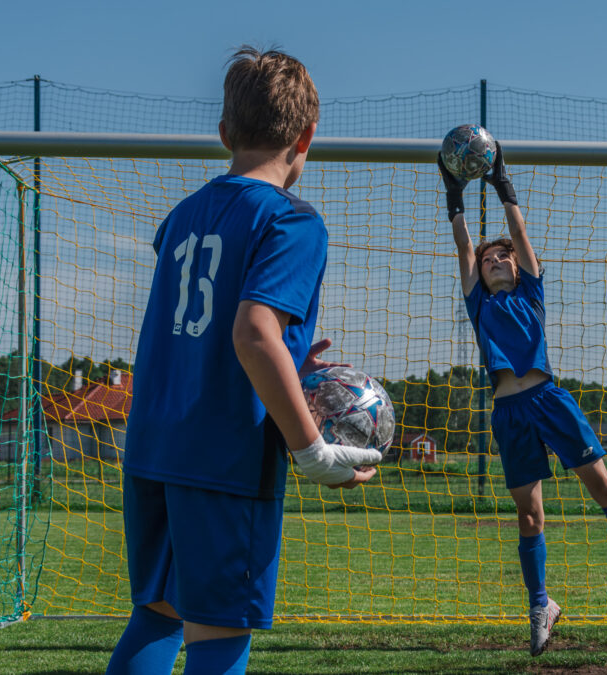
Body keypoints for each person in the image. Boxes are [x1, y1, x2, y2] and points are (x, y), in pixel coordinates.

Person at [107, 47, 381, 675]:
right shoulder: (292, 221)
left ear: (225, 132)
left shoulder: (182, 217)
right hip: (224, 454)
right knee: (219, 632)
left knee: (160, 612)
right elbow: (253, 333)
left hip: (152, 446)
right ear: (307, 135)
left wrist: (287, 357)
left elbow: (207, 332)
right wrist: (312, 451)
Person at [438, 142, 607, 657]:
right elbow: (463, 248)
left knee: (603, 489)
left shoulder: (531, 294)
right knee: (530, 517)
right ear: (479, 274)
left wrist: (503, 183)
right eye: (489, 258)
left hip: (550, 400)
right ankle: (541, 604)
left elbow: (520, 233)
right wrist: (454, 193)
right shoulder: (478, 304)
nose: (497, 259)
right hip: (509, 414)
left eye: (503, 255)